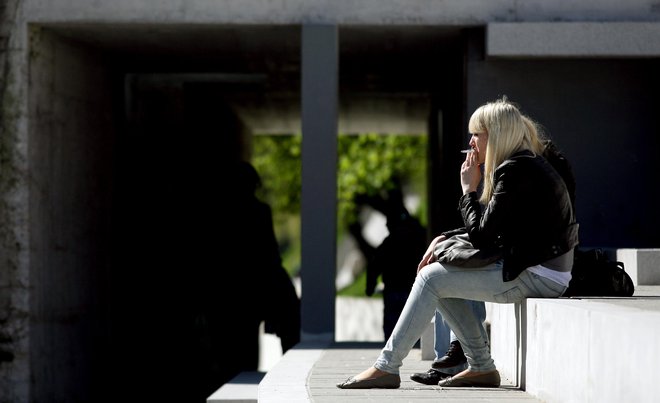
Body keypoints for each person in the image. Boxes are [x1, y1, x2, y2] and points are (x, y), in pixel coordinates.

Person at [336, 96, 579, 389]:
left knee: (431, 278)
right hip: (538, 269)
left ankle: (387, 367)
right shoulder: (523, 165)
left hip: (538, 275)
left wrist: (468, 190)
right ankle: (480, 367)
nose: (471, 141)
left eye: (478, 133)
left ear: (497, 135)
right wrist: (444, 239)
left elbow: (484, 235)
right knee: (439, 278)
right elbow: (495, 229)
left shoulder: (515, 170)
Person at [349, 186, 427, 340]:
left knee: (392, 323)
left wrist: (370, 286)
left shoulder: (388, 243)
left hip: (395, 289)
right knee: (411, 320)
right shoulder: (417, 241)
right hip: (411, 288)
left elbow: (374, 266)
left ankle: (392, 347)